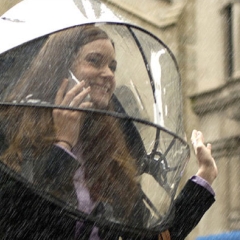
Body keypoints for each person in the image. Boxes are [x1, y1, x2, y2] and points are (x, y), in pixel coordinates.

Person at [0, 25, 218, 240]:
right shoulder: (13, 139)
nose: (108, 74)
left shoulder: (110, 156)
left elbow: (152, 236)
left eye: (112, 66)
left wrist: (203, 178)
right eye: (94, 61)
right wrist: (63, 146)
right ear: (61, 69)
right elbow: (22, 221)